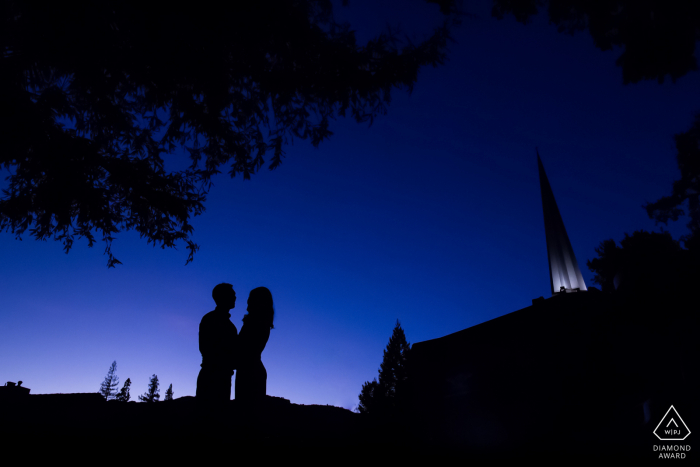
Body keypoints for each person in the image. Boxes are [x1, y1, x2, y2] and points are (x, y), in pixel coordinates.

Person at [196, 283, 238, 404]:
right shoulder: (210, 319)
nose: (235, 298)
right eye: (232, 295)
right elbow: (206, 348)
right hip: (212, 376)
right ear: (222, 297)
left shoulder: (230, 326)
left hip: (224, 377)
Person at [235, 287, 274, 401]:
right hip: (250, 369)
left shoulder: (256, 323)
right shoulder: (261, 322)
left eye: (250, 301)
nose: (247, 305)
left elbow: (244, 348)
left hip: (249, 371)